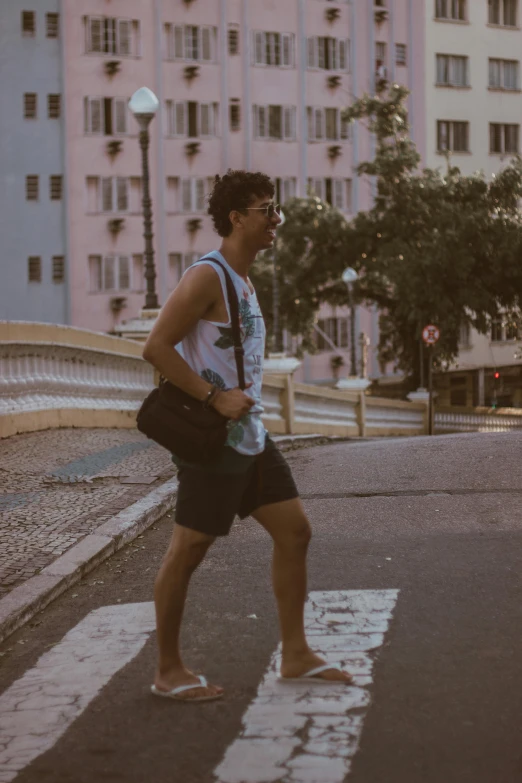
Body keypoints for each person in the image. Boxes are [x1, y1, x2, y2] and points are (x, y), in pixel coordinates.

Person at [142, 170, 352, 702]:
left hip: (249, 437)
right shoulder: (206, 277)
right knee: (187, 549)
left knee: (296, 531)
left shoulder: (243, 278)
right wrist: (214, 398)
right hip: (215, 440)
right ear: (236, 219)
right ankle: (167, 670)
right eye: (266, 209)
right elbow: (157, 347)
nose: (276, 219)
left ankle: (297, 653)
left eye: (275, 207)